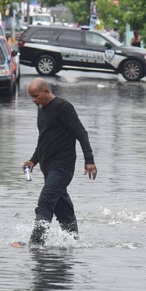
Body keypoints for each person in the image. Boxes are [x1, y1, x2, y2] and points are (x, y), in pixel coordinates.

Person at [23, 78, 98, 245]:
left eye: (35, 96)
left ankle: (35, 244)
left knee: (45, 201)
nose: (33, 100)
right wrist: (33, 160)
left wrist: (89, 160)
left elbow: (81, 133)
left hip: (63, 167)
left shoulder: (63, 107)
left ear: (46, 92)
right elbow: (44, 138)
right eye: (31, 97)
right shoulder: (41, 108)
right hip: (48, 167)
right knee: (61, 207)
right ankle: (73, 241)